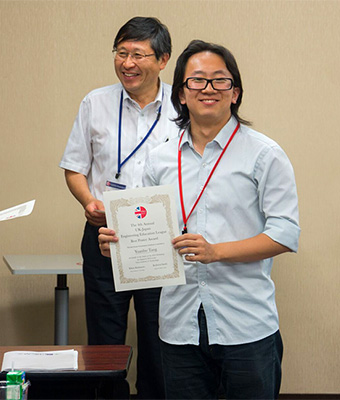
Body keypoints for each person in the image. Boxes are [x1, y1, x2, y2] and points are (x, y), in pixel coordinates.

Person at [98, 39, 301, 400]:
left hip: (245, 324)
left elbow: (285, 233)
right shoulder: (160, 158)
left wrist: (216, 251)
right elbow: (147, 228)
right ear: (180, 93)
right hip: (179, 324)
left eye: (219, 80)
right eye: (196, 80)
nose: (208, 88)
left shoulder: (265, 154)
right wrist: (119, 245)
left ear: (235, 93)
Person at [59, 17, 178, 399]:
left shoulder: (182, 106)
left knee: (160, 338)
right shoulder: (95, 102)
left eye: (138, 54)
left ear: (162, 60)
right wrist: (88, 201)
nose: (127, 63)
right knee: (105, 343)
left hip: (161, 240)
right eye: (121, 52)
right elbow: (75, 167)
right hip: (105, 236)